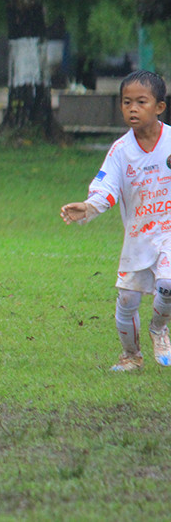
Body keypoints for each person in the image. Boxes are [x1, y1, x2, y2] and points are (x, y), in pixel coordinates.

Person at [61, 69, 171, 372]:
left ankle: (159, 329)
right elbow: (107, 188)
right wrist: (88, 206)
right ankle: (131, 355)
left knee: (168, 283)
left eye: (141, 102)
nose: (132, 109)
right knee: (127, 300)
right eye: (126, 102)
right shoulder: (121, 150)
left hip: (169, 231)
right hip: (138, 235)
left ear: (159, 107)